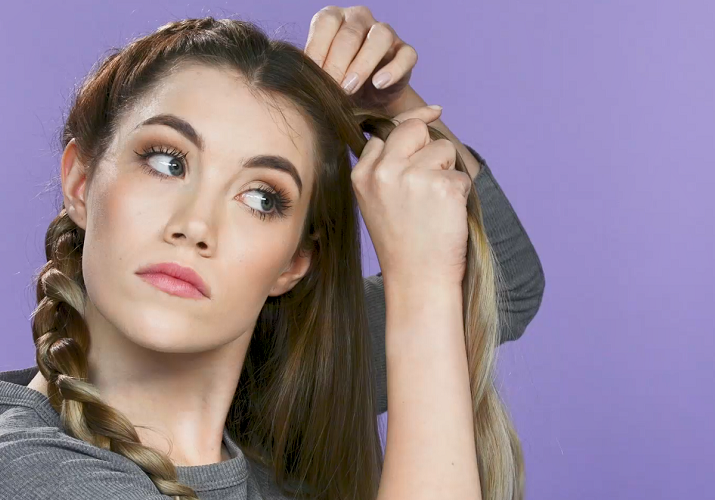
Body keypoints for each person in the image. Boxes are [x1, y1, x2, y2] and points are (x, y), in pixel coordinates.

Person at [0, 7, 544, 500]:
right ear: (80, 181)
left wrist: (389, 106)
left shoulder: (272, 401)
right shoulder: (32, 469)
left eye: (261, 198)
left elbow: (503, 283)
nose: (195, 225)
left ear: (293, 263)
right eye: (168, 162)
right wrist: (421, 279)